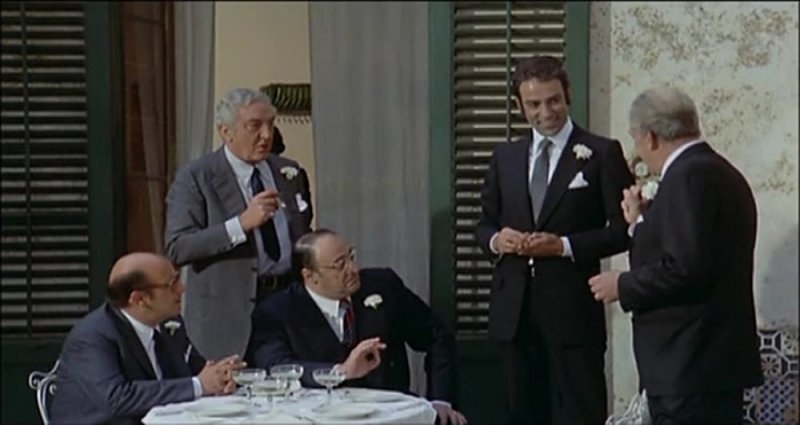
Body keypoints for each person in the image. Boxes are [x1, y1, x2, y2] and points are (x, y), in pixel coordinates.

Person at [588, 86, 763, 425]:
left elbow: (685, 267)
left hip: (689, 361)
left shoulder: (687, 176)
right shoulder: (718, 170)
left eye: (636, 140)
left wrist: (622, 285)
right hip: (706, 363)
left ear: (650, 137)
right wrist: (640, 223)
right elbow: (694, 250)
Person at [475, 55, 634, 425]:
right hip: (514, 316)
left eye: (553, 101)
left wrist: (563, 246)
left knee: (579, 415)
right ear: (519, 106)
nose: (545, 112)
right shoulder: (505, 157)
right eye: (534, 104)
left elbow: (624, 231)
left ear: (568, 96)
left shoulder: (601, 153)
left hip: (573, 315)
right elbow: (483, 226)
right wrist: (498, 240)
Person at [249, 229, 468, 425]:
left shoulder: (383, 286)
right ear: (310, 276)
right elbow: (276, 365)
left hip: (391, 415)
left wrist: (441, 400)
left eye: (351, 257)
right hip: (319, 418)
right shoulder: (277, 311)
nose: (353, 269)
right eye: (340, 265)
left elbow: (438, 336)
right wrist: (340, 372)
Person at [164, 88, 313, 360]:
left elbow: (302, 233)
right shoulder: (197, 177)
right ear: (226, 131)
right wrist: (240, 224)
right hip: (227, 316)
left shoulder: (289, 172)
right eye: (254, 126)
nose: (266, 135)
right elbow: (178, 247)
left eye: (270, 124)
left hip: (287, 306)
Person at [50, 253, 245, 425]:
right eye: (172, 284)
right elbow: (117, 399)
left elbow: (197, 371)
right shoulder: (92, 336)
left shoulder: (170, 323)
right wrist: (199, 385)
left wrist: (221, 378)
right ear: (139, 299)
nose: (182, 288)